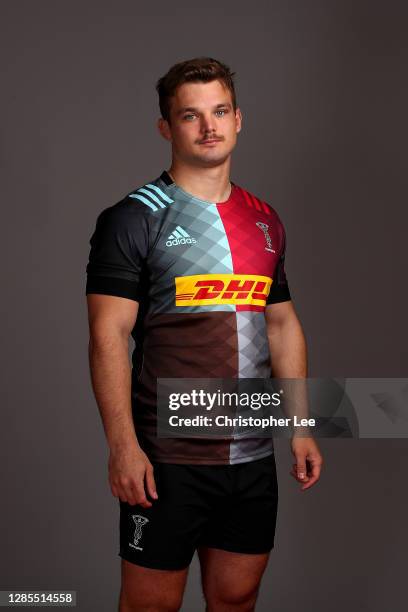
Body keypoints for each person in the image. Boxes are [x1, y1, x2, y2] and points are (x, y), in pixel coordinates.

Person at [85, 57, 323, 612]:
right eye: (190, 116)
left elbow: (282, 324)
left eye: (219, 112)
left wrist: (302, 427)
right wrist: (122, 447)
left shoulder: (265, 219)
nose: (209, 126)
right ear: (167, 128)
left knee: (237, 598)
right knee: (151, 607)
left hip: (250, 452)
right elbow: (107, 337)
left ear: (239, 119)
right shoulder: (134, 217)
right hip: (167, 457)